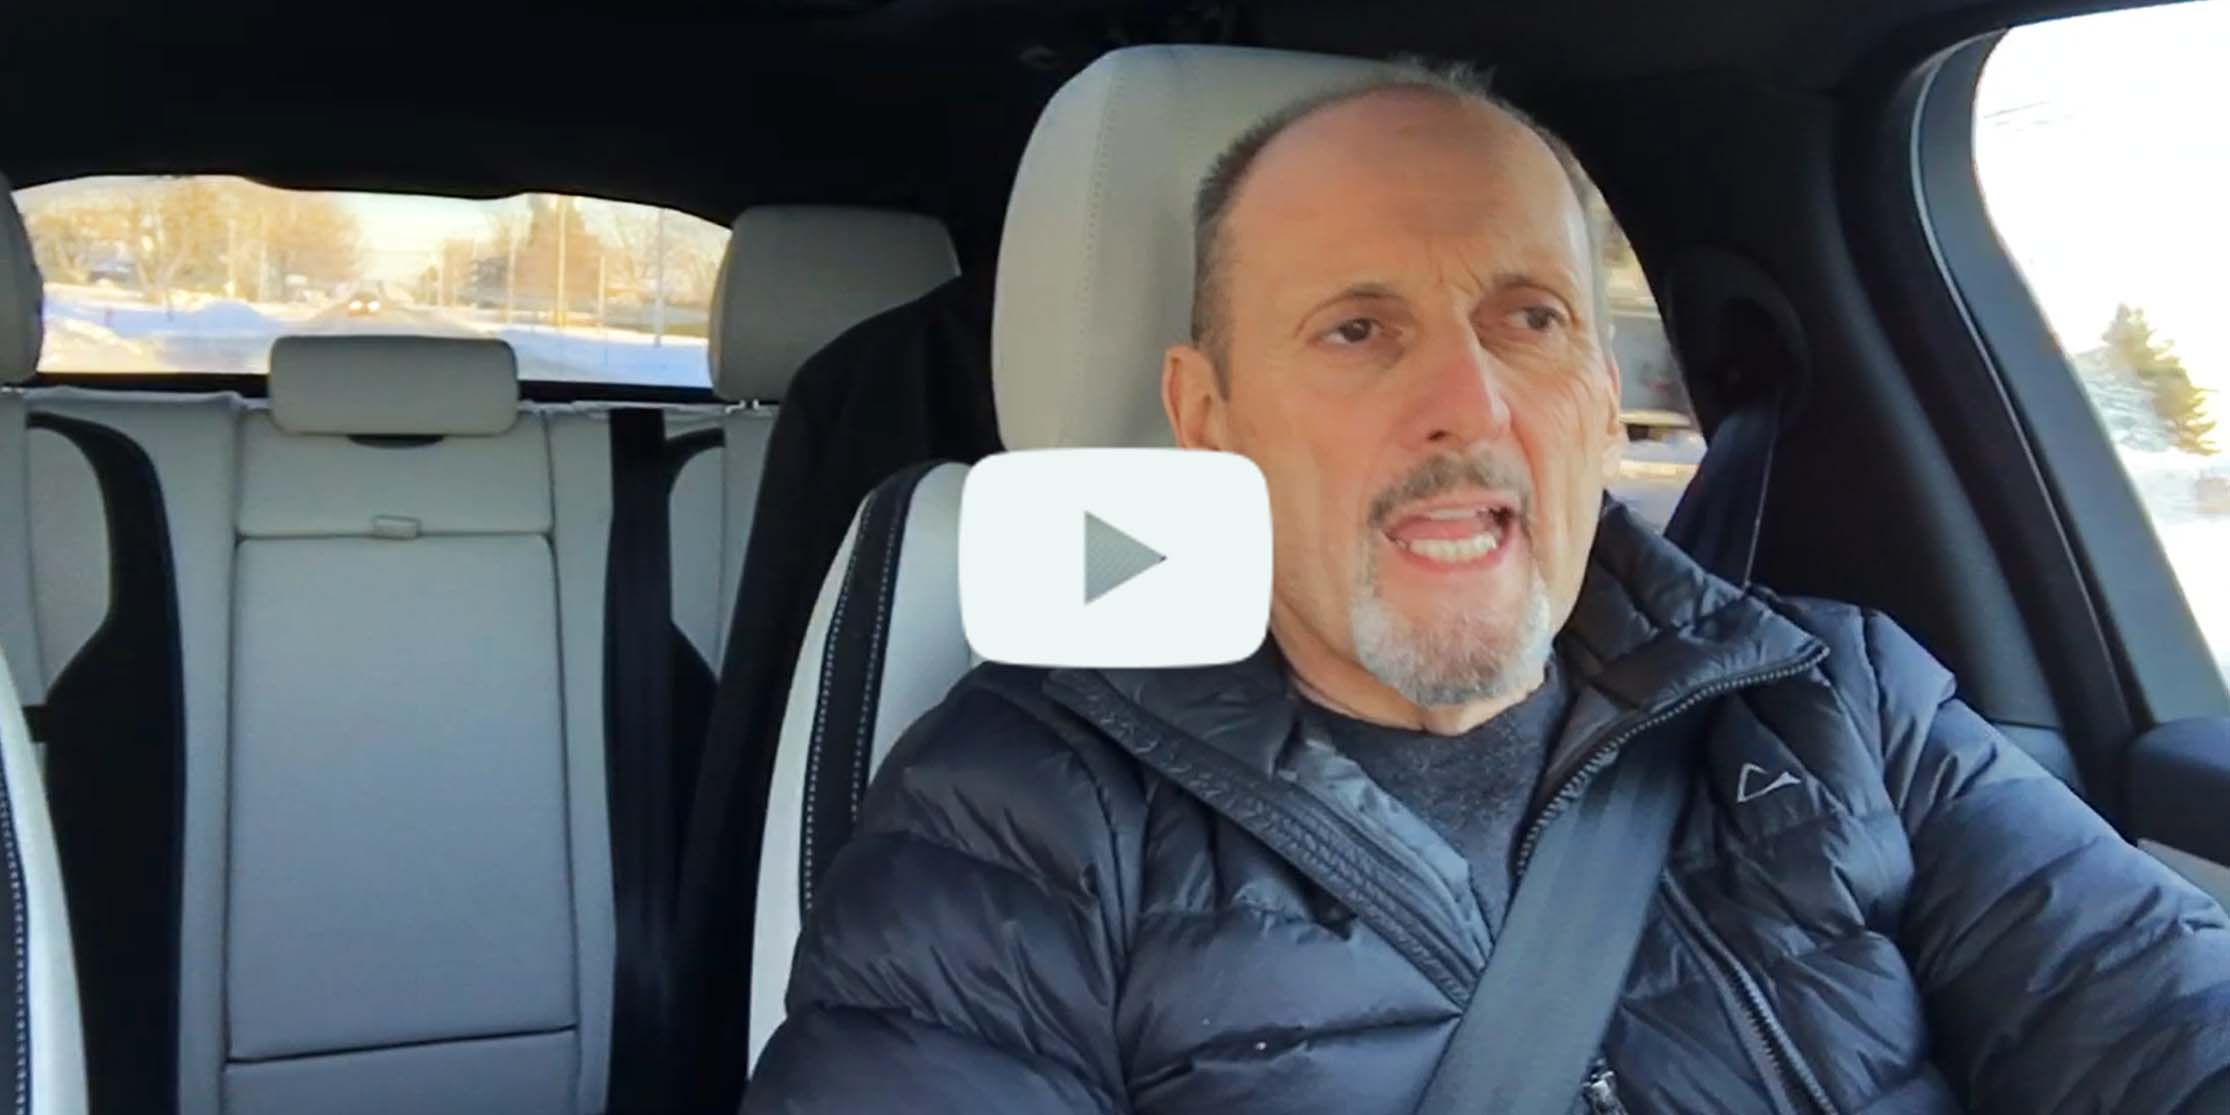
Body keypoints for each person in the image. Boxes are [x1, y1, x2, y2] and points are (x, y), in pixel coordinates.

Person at [744, 62, 2230, 1113]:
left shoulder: (1847, 704)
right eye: (1356, 330)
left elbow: (2159, 1016)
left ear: (1601, 391)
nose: (1469, 404)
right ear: (1207, 416)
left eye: (1528, 319)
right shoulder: (1014, 819)